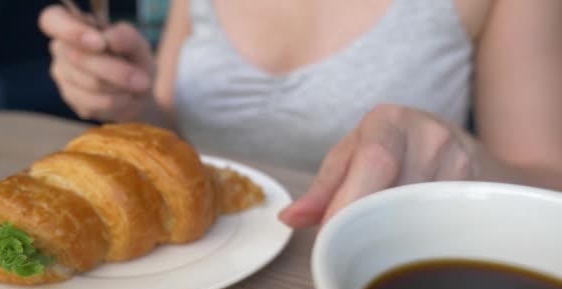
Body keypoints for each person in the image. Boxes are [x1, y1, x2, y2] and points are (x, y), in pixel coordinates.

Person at [39, 0, 562, 229]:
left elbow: (548, 185)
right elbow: (177, 132)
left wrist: (458, 149)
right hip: (195, 270)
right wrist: (131, 101)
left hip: (372, 283)